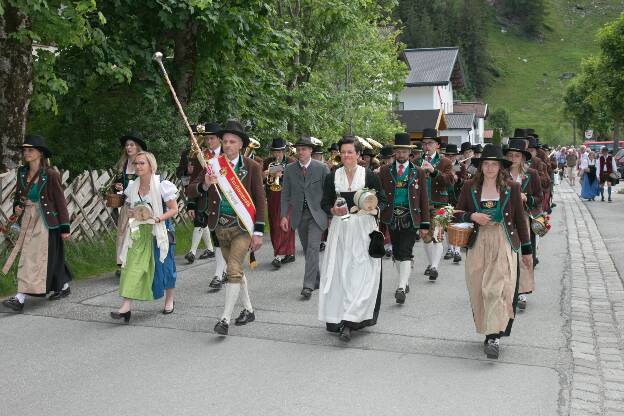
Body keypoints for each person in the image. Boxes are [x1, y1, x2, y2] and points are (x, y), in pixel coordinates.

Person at [454, 144, 533, 359]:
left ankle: (494, 337)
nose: (489, 168)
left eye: (494, 164)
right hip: (478, 242)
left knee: (496, 289)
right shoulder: (470, 186)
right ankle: (489, 330)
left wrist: (527, 251)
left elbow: (519, 220)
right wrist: (472, 216)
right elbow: (456, 213)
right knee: (479, 288)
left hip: (503, 240)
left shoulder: (512, 188)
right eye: (486, 164)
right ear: (481, 167)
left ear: (500, 167)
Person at [188, 120, 266, 336]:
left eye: (233, 142)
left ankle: (225, 318)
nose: (228, 145)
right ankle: (249, 310)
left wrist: (258, 232)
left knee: (232, 269)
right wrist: (204, 183)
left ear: (241, 145)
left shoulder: (252, 167)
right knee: (237, 271)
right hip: (220, 228)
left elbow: (260, 201)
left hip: (242, 227)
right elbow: (191, 190)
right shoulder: (212, 164)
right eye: (225, 141)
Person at [318, 136, 387, 341]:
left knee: (362, 273)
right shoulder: (332, 176)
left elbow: (382, 200)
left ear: (358, 154)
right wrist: (332, 210)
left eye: (350, 152)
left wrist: (373, 209)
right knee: (341, 273)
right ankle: (340, 316)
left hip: (363, 229)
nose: (347, 155)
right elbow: (324, 202)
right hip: (341, 229)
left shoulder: (369, 176)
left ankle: (351, 320)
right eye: (343, 152)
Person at [2, 135, 73, 312]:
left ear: (40, 153)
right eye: (25, 150)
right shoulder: (22, 172)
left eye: (30, 150)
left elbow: (60, 202)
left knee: (33, 256)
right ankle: (63, 285)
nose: (26, 153)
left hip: (46, 221)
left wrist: (65, 228)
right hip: (28, 218)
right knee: (44, 256)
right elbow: (19, 195)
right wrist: (18, 207)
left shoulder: (51, 175)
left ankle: (20, 298)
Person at [110, 151, 178, 322]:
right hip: (139, 232)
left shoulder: (162, 185)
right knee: (131, 265)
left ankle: (169, 300)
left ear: (150, 165)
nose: (138, 166)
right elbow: (133, 209)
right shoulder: (132, 186)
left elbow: (173, 209)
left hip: (160, 230)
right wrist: (134, 212)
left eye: (142, 163)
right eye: (136, 163)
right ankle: (125, 307)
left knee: (165, 266)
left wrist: (158, 218)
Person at [378, 133, 429, 304]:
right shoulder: (384, 171)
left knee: (406, 250)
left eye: (404, 152)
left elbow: (424, 198)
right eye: (398, 152)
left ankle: (400, 287)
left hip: (410, 216)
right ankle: (404, 281)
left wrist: (425, 224)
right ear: (394, 153)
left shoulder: (419, 172)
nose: (401, 155)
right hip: (391, 217)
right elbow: (379, 195)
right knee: (397, 252)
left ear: (410, 153)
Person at [280, 136, 330, 298]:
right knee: (309, 250)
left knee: (313, 248)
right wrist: (283, 216)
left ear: (310, 151)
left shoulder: (322, 168)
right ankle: (316, 280)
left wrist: (329, 214)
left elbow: (329, 193)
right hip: (298, 216)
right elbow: (285, 195)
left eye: (304, 149)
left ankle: (307, 285)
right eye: (298, 149)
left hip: (317, 215)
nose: (300, 152)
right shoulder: (289, 169)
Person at [504, 139, 543, 311]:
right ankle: (506, 289)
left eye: (517, 155)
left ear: (523, 158)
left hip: (525, 219)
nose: (513, 158)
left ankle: (522, 293)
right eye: (510, 155)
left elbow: (539, 198)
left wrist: (528, 198)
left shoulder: (532, 174)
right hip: (504, 220)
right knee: (505, 255)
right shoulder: (500, 173)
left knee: (524, 255)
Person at [414, 128, 455, 280]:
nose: (426, 146)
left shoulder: (445, 162)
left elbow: (449, 182)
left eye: (430, 143)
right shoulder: (416, 161)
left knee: (438, 235)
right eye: (424, 144)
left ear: (437, 145)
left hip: (439, 203)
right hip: (421, 205)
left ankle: (434, 267)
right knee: (425, 236)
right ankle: (432, 263)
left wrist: (433, 171)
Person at [177, 123, 220, 264]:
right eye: (191, 137)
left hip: (210, 192)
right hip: (194, 190)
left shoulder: (205, 154)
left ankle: (193, 252)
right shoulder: (187, 154)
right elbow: (180, 173)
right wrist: (186, 171)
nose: (193, 139)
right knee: (201, 221)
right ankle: (210, 249)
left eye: (196, 136)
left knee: (201, 220)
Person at [112, 133, 146, 277]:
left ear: (138, 147)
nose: (128, 147)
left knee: (136, 234)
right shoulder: (123, 164)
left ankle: (137, 264)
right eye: (127, 145)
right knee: (122, 233)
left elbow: (145, 183)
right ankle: (122, 264)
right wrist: (117, 186)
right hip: (127, 205)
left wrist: (125, 187)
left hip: (140, 205)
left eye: (132, 145)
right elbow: (117, 184)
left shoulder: (144, 163)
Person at [263, 138, 296, 269]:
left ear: (283, 151)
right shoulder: (267, 162)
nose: (276, 154)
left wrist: (282, 174)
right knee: (274, 223)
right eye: (274, 152)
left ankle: (279, 255)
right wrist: (265, 174)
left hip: (287, 196)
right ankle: (287, 253)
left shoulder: (291, 162)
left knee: (284, 223)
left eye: (279, 152)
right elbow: (260, 177)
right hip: (273, 195)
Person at [443, 144, 462, 263]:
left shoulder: (460, 166)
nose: (450, 158)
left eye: (452, 156)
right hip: (445, 198)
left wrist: (457, 179)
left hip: (458, 199)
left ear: (456, 156)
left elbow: (466, 181)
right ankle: (450, 248)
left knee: (458, 224)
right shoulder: (443, 166)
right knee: (446, 224)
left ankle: (457, 251)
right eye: (448, 156)